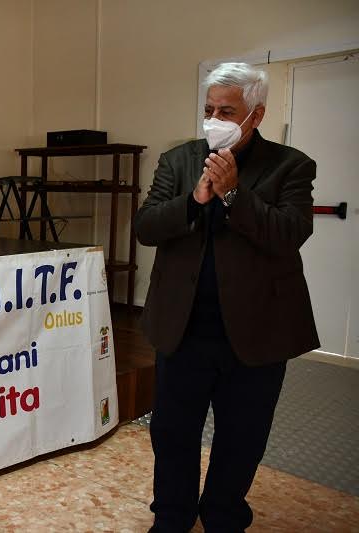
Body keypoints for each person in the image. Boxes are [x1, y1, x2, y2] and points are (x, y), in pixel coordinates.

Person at [135, 62, 319, 532]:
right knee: (172, 433)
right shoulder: (178, 161)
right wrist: (193, 201)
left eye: (227, 111)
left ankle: (223, 517)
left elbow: (289, 234)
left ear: (256, 115)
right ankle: (172, 517)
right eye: (209, 110)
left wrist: (235, 193)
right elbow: (146, 227)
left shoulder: (290, 165)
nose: (214, 120)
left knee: (242, 438)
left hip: (257, 332)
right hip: (183, 327)